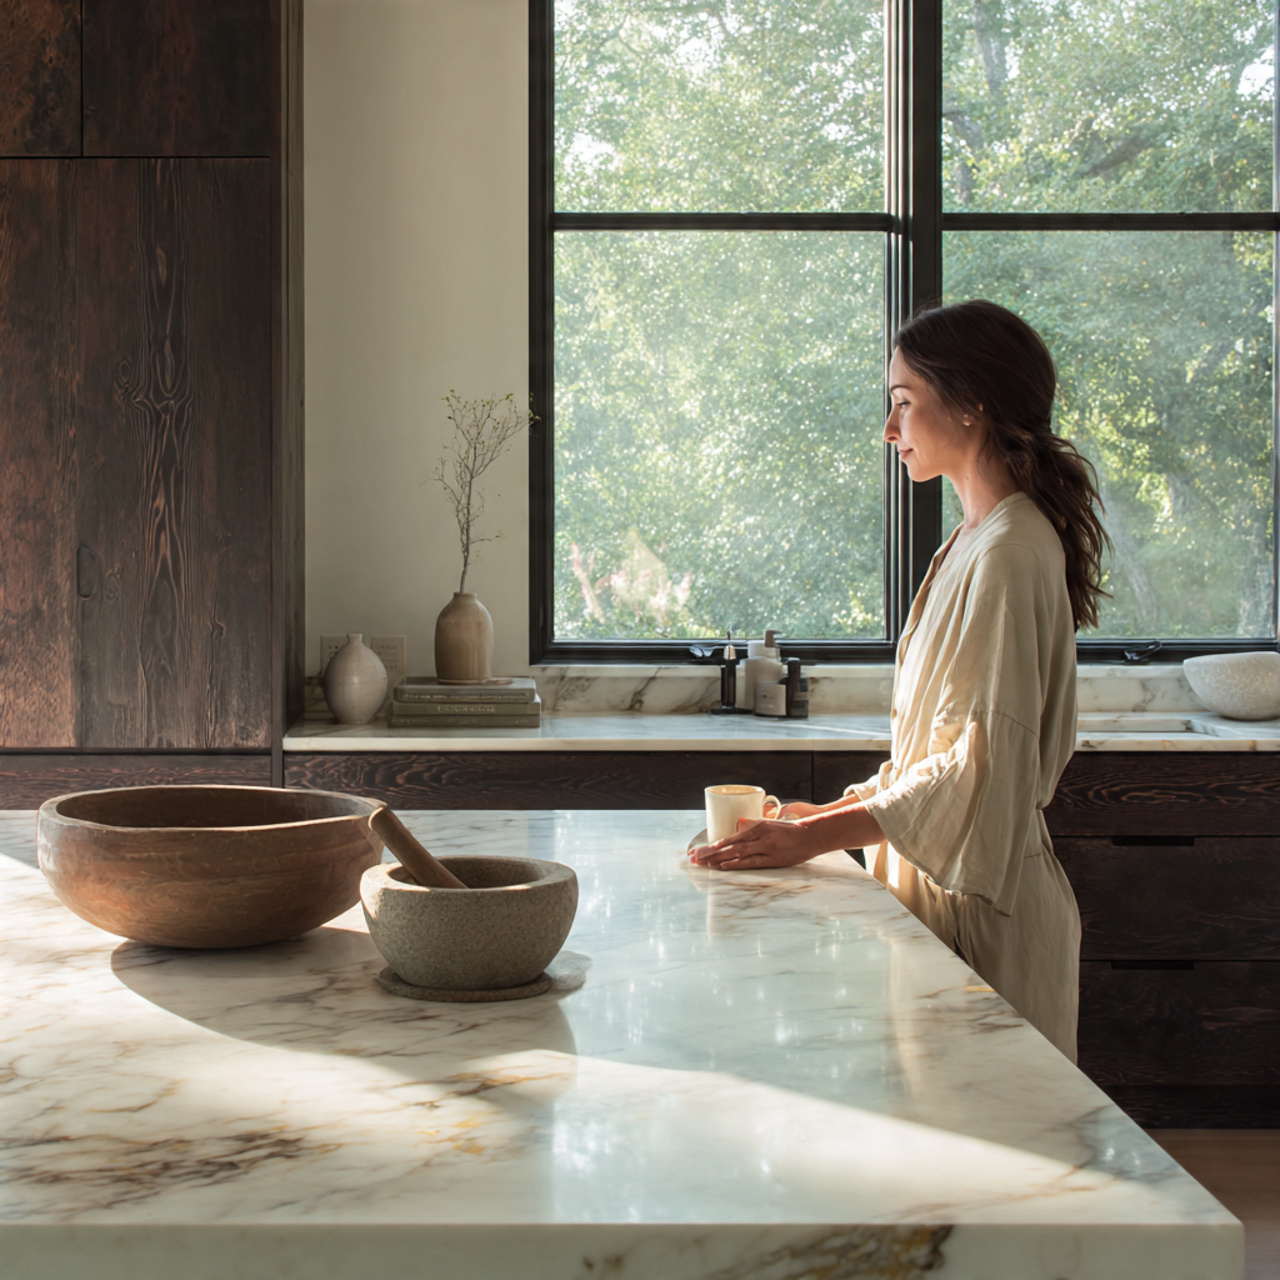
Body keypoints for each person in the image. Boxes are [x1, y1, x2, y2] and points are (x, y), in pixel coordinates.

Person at [688, 299, 1109, 1061]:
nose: (889, 429)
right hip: (951, 897)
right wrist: (827, 814)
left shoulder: (1009, 551)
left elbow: (980, 770)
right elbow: (936, 755)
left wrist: (815, 836)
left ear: (973, 402)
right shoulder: (973, 541)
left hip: (988, 914)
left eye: (904, 402)